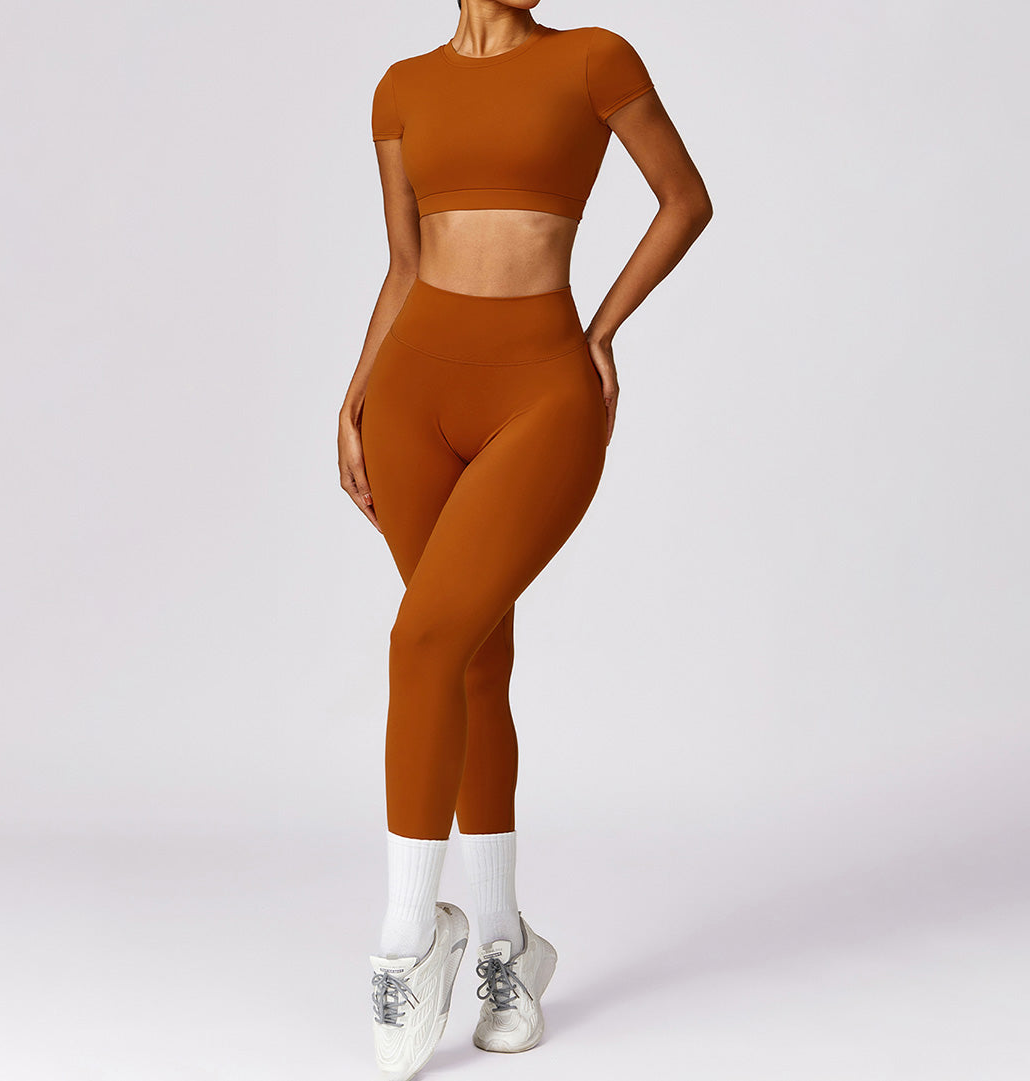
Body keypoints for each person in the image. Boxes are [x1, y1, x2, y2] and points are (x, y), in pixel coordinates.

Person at [337, 2, 712, 1077]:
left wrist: (601, 328)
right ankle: (506, 944)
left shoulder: (594, 59)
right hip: (412, 393)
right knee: (468, 661)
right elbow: (403, 261)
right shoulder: (401, 86)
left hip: (543, 387)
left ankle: (409, 939)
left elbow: (685, 200)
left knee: (421, 641)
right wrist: (353, 398)